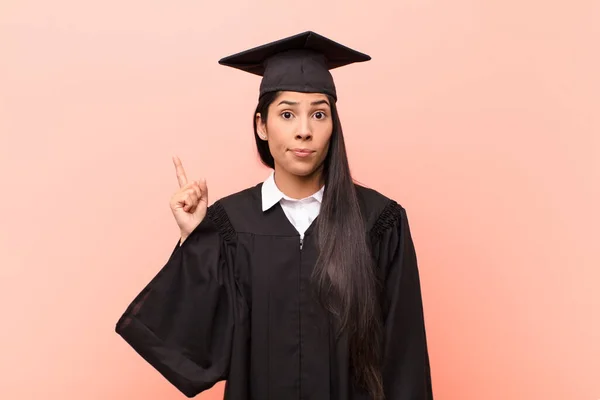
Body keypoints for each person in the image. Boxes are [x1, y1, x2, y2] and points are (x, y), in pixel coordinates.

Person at [115, 31, 433, 400]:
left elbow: (404, 359)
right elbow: (201, 346)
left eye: (318, 114)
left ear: (333, 127)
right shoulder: (229, 226)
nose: (304, 131)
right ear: (261, 126)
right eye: (287, 114)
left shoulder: (379, 223)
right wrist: (195, 242)